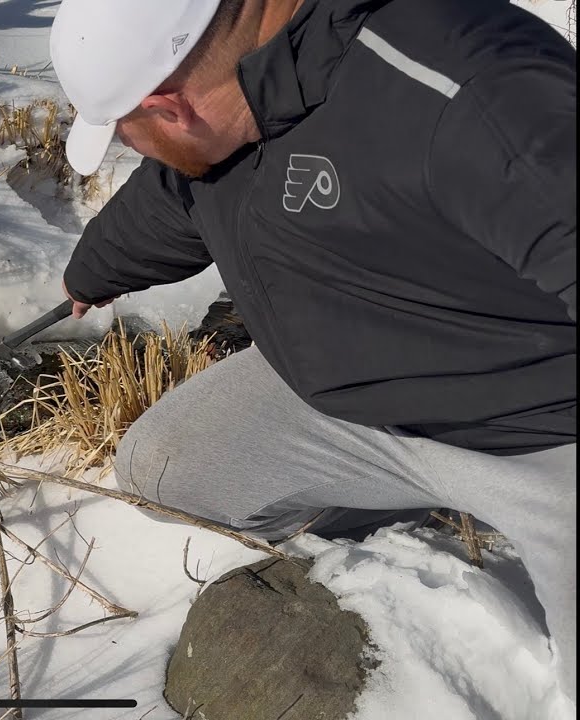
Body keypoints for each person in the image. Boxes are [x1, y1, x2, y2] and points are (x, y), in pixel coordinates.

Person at [49, 0, 577, 699]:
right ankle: (431, 503)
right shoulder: (239, 94)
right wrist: (94, 270)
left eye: (125, 132)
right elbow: (178, 192)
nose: (132, 147)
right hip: (361, 420)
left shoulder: (470, 91)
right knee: (163, 468)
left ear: (169, 107)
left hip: (541, 442)